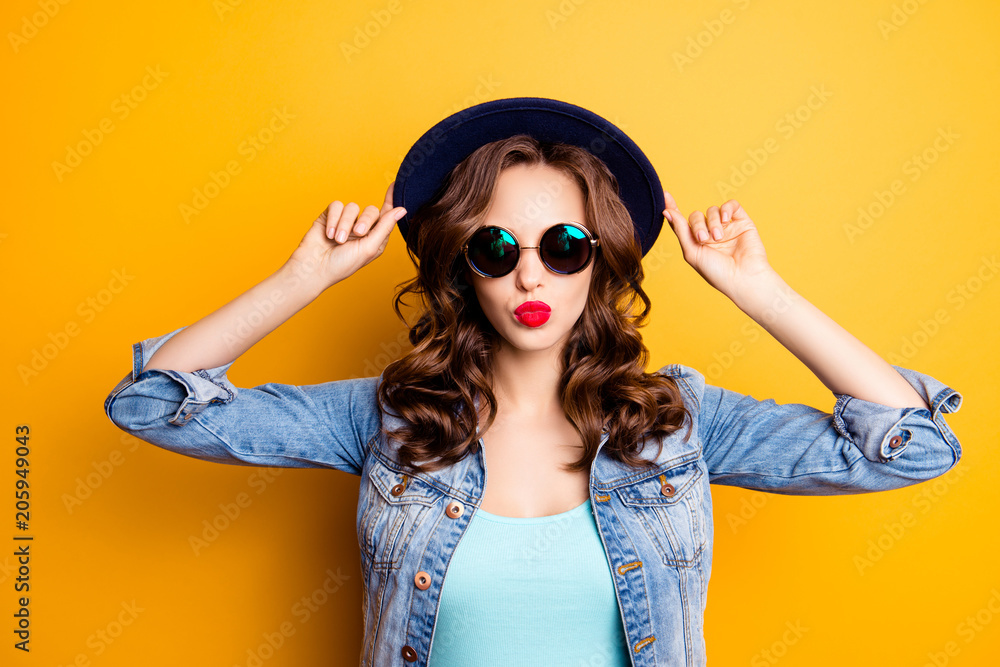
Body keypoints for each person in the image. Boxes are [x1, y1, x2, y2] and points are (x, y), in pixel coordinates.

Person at [103, 97, 963, 667]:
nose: (530, 278)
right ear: (462, 267)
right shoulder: (388, 420)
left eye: (563, 247)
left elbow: (913, 445)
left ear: (600, 259)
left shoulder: (678, 424)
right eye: (496, 249)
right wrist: (303, 277)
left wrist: (757, 290)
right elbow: (152, 402)